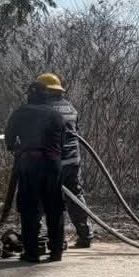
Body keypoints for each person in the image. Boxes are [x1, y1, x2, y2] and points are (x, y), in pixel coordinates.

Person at [3, 76, 69, 263]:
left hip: (30, 165)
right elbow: (63, 146)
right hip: (53, 165)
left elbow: (9, 140)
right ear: (46, 96)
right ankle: (56, 252)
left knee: (30, 208)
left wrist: (17, 150)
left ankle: (31, 253)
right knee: (55, 209)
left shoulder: (20, 112)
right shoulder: (57, 116)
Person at [34, 72, 92, 249]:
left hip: (53, 161)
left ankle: (41, 236)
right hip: (73, 161)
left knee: (40, 196)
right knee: (75, 196)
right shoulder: (71, 108)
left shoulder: (43, 110)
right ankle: (86, 235)